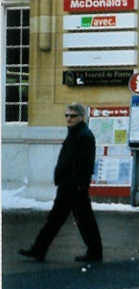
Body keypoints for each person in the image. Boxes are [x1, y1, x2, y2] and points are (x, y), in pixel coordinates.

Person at [19, 103, 103, 262]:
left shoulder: (84, 135)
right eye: (66, 115)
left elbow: (85, 163)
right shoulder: (75, 133)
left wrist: (79, 183)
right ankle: (94, 251)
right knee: (80, 219)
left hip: (73, 185)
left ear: (81, 117)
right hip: (70, 184)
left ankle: (39, 249)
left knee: (63, 219)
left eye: (72, 116)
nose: (69, 119)